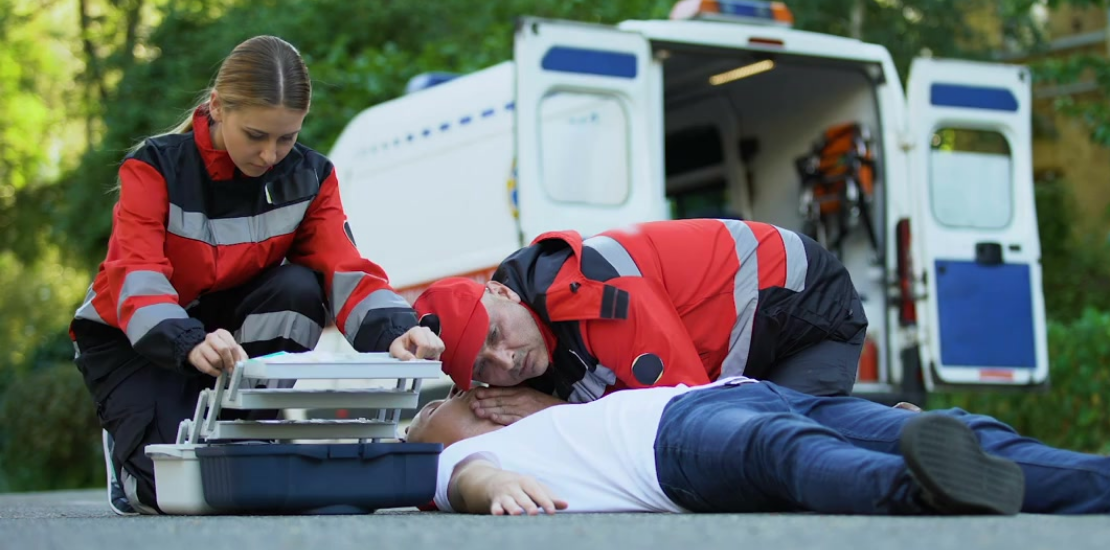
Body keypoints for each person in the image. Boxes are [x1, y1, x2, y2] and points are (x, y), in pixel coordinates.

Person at [69, 35, 444, 516]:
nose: (270, 155)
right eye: (256, 135)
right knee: (173, 496)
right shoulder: (154, 165)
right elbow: (135, 274)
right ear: (217, 107)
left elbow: (346, 270)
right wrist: (186, 340)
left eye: (286, 138)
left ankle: (250, 425)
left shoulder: (312, 177)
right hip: (134, 339)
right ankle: (128, 448)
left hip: (231, 333)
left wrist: (400, 330)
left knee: (298, 287)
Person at [404, 377, 1110, 516]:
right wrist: (489, 487)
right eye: (438, 406)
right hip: (671, 448)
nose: (462, 396)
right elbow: (465, 478)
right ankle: (922, 490)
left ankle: (1097, 481)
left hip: (730, 391)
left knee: (940, 427)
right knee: (781, 450)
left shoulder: (538, 413)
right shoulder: (449, 463)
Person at [412, 218, 868, 425]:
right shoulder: (534, 337)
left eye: (495, 335)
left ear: (502, 291)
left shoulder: (594, 293)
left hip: (805, 306)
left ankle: (900, 430)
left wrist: (555, 413)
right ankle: (879, 425)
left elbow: (686, 415)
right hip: (745, 343)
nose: (506, 360)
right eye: (482, 367)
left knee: (772, 448)